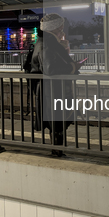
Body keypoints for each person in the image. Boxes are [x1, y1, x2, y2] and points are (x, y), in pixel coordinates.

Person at [30, 13, 84, 157]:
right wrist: (72, 67)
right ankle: (57, 151)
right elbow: (50, 69)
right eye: (60, 28)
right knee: (57, 121)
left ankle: (58, 150)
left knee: (57, 121)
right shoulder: (47, 44)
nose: (62, 31)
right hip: (53, 90)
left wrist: (64, 50)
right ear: (53, 29)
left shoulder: (47, 42)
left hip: (52, 90)